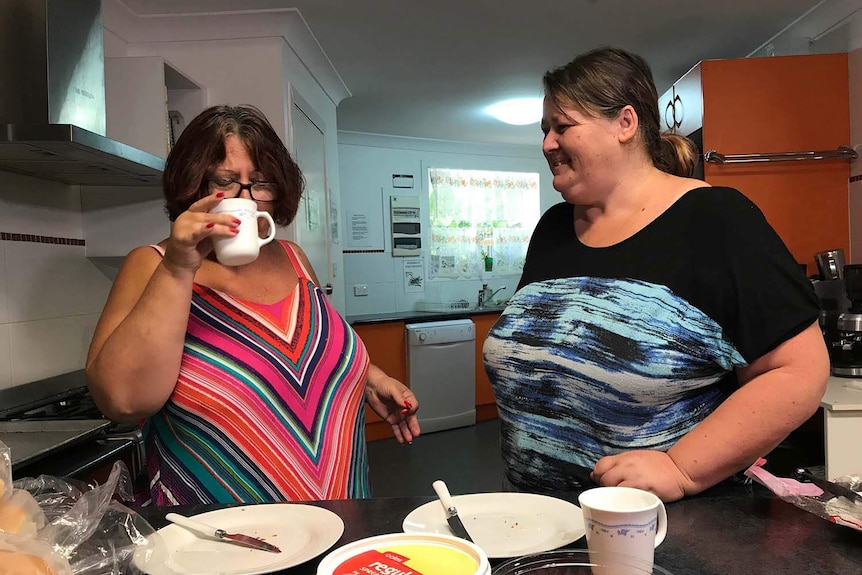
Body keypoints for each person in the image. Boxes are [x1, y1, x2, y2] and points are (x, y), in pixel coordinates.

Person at [483, 47, 829, 502]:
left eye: (562, 126)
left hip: (659, 531)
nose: (547, 143)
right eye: (545, 129)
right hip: (540, 522)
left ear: (625, 123)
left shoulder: (715, 221)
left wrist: (679, 469)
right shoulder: (553, 228)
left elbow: (799, 370)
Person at [86, 105, 420, 506]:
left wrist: (370, 379)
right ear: (192, 184)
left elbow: (308, 347)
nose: (246, 199)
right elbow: (122, 400)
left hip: (340, 516)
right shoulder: (153, 265)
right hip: (225, 538)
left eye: (260, 183)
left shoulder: (294, 258)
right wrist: (180, 265)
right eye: (224, 182)